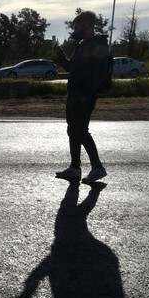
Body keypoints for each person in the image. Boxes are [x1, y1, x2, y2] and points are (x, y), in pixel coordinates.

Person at [52, 10, 111, 184]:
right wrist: (59, 51)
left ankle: (98, 168)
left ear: (85, 26)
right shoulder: (82, 46)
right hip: (74, 95)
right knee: (73, 131)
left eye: (77, 27)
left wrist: (86, 95)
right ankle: (75, 168)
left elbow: (99, 75)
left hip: (84, 97)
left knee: (81, 132)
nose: (75, 30)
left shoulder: (99, 45)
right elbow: (71, 68)